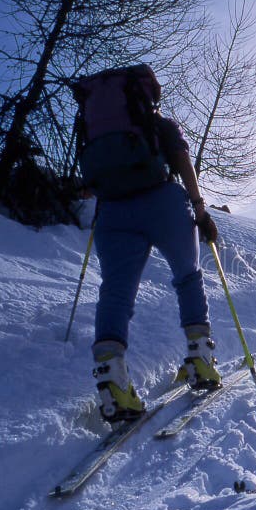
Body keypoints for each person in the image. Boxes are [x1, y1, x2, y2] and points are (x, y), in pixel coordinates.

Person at [90, 110, 222, 423]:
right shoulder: (158, 123)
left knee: (115, 292)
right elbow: (180, 158)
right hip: (163, 202)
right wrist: (199, 208)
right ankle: (201, 357)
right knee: (188, 276)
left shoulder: (95, 127)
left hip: (112, 210)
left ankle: (112, 381)